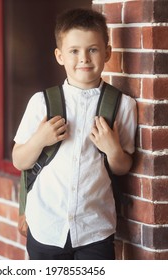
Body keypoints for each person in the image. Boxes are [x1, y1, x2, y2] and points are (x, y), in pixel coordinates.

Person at [12, 8, 137, 260]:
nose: (84, 58)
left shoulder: (123, 105)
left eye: (93, 49)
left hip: (95, 229)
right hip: (46, 227)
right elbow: (19, 161)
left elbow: (123, 166)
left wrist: (112, 149)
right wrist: (39, 140)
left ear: (107, 52)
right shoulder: (41, 103)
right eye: (74, 51)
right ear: (59, 56)